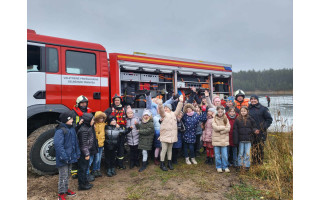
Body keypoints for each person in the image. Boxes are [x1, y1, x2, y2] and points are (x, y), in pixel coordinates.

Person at [54, 111, 80, 200]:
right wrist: (64, 157)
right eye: (71, 118)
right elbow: (58, 146)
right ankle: (61, 193)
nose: (73, 120)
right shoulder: (60, 131)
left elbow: (75, 142)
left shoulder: (71, 129)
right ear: (66, 120)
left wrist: (77, 153)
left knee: (67, 174)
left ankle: (65, 189)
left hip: (70, 157)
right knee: (63, 176)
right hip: (64, 158)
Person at [157, 95, 184, 171]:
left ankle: (169, 162)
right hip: (165, 135)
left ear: (170, 109)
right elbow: (161, 111)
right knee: (164, 149)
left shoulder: (174, 114)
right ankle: (162, 164)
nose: (165, 109)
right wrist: (160, 104)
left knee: (170, 150)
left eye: (167, 108)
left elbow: (178, 109)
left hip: (172, 136)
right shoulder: (164, 115)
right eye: (165, 108)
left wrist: (181, 102)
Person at [70, 95, 92, 178]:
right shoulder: (73, 113)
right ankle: (75, 172)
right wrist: (77, 125)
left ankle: (85, 171)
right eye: (82, 103)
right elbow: (70, 124)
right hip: (76, 135)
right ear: (78, 104)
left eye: (85, 103)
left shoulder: (89, 112)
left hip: (86, 136)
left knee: (85, 154)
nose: (83, 104)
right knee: (76, 154)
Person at [104, 94, 127, 169]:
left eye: (118, 100)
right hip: (113, 132)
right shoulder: (109, 109)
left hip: (121, 130)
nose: (116, 101)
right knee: (113, 149)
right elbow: (103, 117)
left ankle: (120, 164)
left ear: (120, 101)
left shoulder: (125, 109)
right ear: (113, 101)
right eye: (115, 100)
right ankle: (111, 165)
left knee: (121, 148)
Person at [248, 95, 273, 165]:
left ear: (257, 100)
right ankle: (254, 162)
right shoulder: (248, 109)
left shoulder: (263, 109)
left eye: (254, 99)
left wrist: (261, 129)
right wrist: (253, 130)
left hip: (261, 132)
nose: (253, 100)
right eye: (251, 99)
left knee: (260, 148)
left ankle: (260, 162)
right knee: (253, 148)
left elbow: (269, 120)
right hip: (251, 132)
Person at [233, 106, 258, 171]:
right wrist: (236, 140)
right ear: (240, 112)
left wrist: (255, 130)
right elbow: (235, 130)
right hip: (241, 140)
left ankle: (246, 166)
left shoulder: (250, 119)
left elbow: (254, 127)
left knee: (247, 153)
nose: (243, 112)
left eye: (244, 111)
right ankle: (240, 165)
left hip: (248, 139)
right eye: (242, 111)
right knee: (241, 153)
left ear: (247, 112)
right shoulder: (237, 119)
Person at [77, 113, 98, 190]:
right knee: (82, 169)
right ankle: (82, 185)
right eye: (92, 119)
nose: (93, 121)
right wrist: (86, 154)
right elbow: (83, 144)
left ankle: (85, 182)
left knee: (85, 168)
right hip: (83, 153)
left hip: (87, 151)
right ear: (88, 120)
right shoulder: (83, 130)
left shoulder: (88, 127)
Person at [212, 106, 231, 173]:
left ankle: (225, 166)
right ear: (217, 112)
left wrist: (222, 131)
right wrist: (223, 127)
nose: (220, 113)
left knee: (224, 155)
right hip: (216, 140)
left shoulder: (226, 119)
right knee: (217, 155)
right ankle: (218, 166)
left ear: (223, 112)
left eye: (221, 112)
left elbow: (228, 128)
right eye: (219, 112)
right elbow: (215, 128)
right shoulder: (214, 119)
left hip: (224, 140)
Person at [89, 111, 107, 178]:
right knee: (96, 158)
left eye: (102, 118)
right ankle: (94, 170)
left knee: (99, 158)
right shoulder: (94, 125)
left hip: (101, 144)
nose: (101, 119)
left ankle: (98, 169)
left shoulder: (104, 124)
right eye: (99, 118)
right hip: (96, 144)